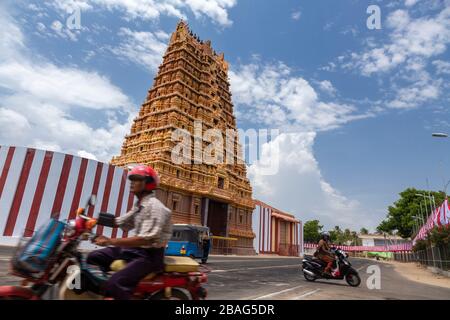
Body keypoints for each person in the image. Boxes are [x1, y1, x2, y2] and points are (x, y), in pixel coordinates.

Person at [87, 164, 172, 300]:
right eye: (132, 179)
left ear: (148, 183)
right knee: (93, 257)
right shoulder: (139, 205)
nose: (132, 183)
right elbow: (120, 221)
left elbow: (146, 239)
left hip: (149, 256)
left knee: (115, 283)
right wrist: (92, 220)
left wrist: (110, 241)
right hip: (134, 250)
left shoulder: (155, 207)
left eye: (137, 179)